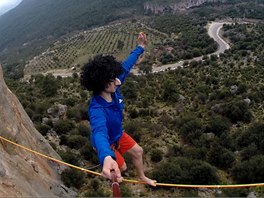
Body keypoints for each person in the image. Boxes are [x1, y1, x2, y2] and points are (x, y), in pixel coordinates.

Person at [80, 32, 156, 186]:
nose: (117, 80)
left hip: (117, 134)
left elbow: (126, 66)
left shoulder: (113, 87)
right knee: (123, 167)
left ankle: (141, 177)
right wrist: (106, 156)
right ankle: (112, 162)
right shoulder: (96, 108)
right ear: (101, 84)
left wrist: (140, 47)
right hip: (106, 142)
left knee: (138, 151)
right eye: (112, 79)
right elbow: (99, 132)